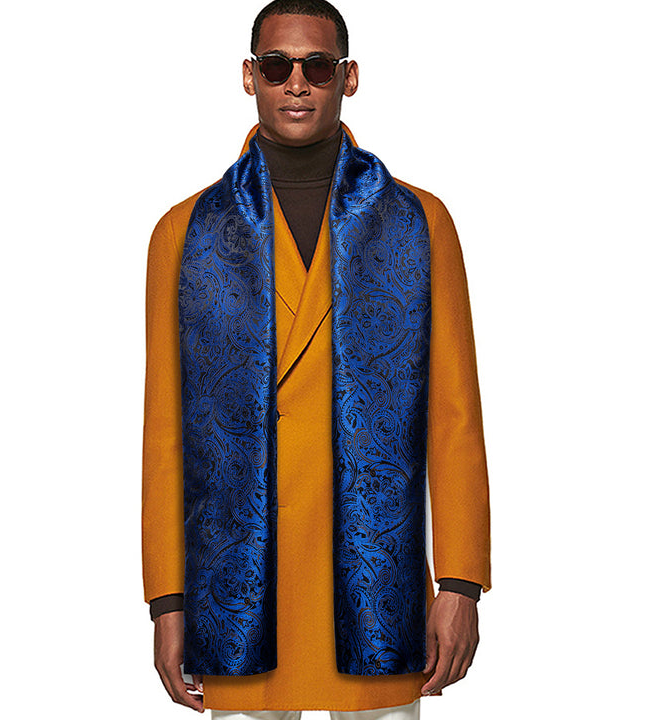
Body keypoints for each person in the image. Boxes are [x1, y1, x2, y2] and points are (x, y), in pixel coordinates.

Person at [141, 0, 491, 716]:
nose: (296, 83)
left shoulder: (420, 221)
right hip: (236, 587)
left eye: (317, 66)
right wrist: (167, 600)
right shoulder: (184, 231)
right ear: (249, 76)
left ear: (348, 77)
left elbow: (456, 417)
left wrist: (460, 583)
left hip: (376, 583)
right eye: (276, 66)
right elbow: (165, 432)